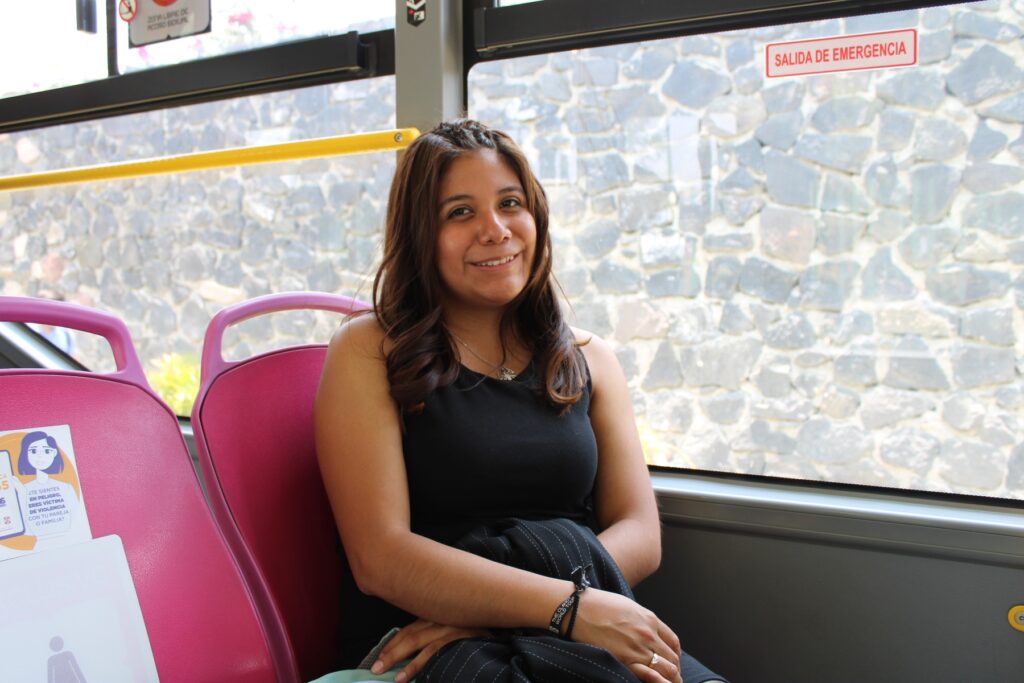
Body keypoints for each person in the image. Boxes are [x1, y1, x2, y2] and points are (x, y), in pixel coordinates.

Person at [315, 120, 726, 683]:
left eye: (510, 204)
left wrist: (544, 612)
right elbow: (380, 558)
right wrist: (564, 607)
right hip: (425, 638)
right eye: (460, 212)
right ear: (420, 235)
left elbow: (639, 531)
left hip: (576, 619)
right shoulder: (368, 349)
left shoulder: (589, 358)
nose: (495, 229)